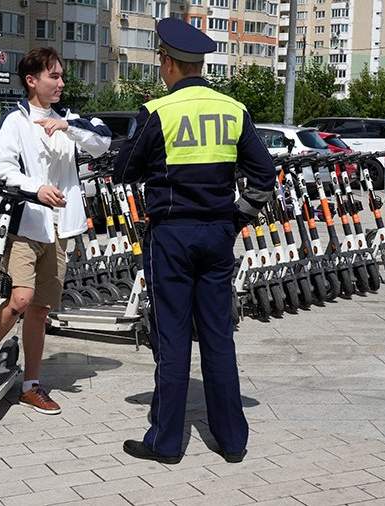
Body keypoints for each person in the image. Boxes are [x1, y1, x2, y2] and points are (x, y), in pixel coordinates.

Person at [114, 18, 276, 464]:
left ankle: (166, 443)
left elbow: (124, 172)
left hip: (171, 236)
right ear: (200, 64)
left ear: (167, 63)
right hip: (217, 235)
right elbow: (264, 177)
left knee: (172, 337)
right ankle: (232, 441)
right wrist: (236, 219)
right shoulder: (234, 109)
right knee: (219, 336)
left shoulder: (158, 112)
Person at [0, 47, 111, 415]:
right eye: (53, 76)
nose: (60, 82)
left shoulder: (68, 118)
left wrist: (67, 126)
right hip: (26, 225)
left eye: (61, 76)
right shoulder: (15, 121)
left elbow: (102, 141)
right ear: (31, 80)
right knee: (20, 299)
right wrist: (34, 189)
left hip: (60, 229)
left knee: (40, 310)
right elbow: (0, 167)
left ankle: (31, 384)